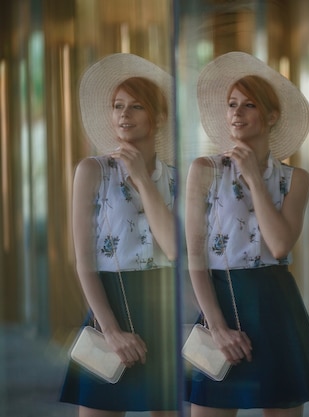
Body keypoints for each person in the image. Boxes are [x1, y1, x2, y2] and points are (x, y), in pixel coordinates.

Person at [184, 51, 309, 417]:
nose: (236, 112)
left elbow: (280, 244)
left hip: (275, 301)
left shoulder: (295, 179)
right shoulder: (204, 169)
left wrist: (253, 177)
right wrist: (216, 327)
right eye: (232, 104)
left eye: (248, 104)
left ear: (271, 115)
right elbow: (194, 255)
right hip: (217, 296)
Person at [59, 53, 178, 416]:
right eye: (117, 106)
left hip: (162, 306)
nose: (124, 114)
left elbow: (176, 249)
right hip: (105, 304)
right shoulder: (92, 171)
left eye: (136, 106)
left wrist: (142, 179)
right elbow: (83, 260)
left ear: (157, 119)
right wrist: (109, 330)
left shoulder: (177, 178)